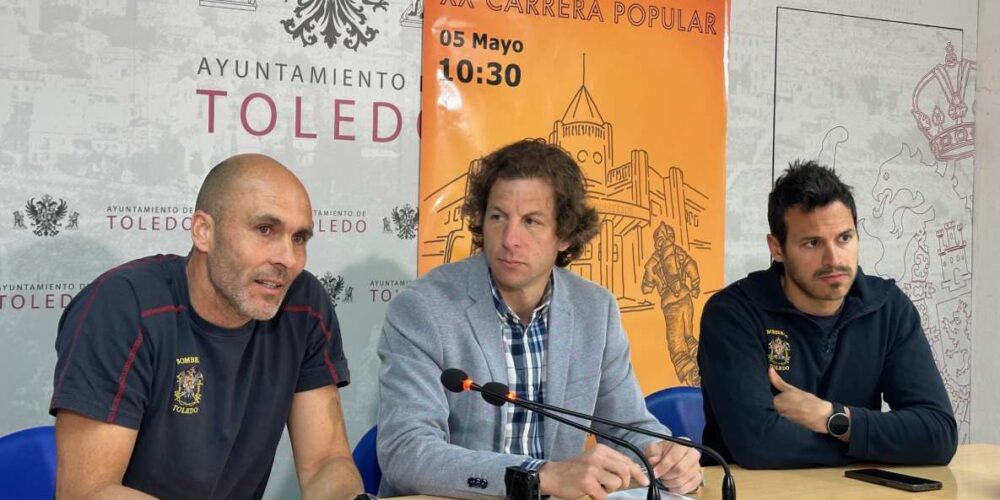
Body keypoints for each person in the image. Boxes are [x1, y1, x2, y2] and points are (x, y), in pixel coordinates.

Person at [377, 139, 702, 499]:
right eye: (498, 217)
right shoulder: (423, 309)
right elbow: (406, 452)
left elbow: (626, 428)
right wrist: (537, 475)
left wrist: (665, 457)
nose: (509, 239)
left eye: (531, 221)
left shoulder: (595, 309)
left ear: (564, 235)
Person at [50, 154, 364, 499]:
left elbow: (325, 461)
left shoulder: (304, 302)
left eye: (300, 238)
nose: (288, 259)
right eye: (265, 230)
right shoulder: (123, 306)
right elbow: (89, 491)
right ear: (204, 231)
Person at [698, 160, 958, 469]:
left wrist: (833, 418)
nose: (833, 259)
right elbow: (758, 444)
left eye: (844, 238)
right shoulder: (733, 314)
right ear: (777, 248)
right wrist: (877, 444)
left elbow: (938, 435)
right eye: (812, 243)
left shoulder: (887, 307)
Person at [641, 222, 702, 386]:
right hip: (686, 297)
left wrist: (650, 284)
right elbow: (692, 266)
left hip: (670, 303)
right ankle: (703, 364)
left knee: (676, 344)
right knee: (688, 335)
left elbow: (646, 286)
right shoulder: (679, 253)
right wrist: (695, 285)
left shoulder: (653, 261)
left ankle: (693, 377)